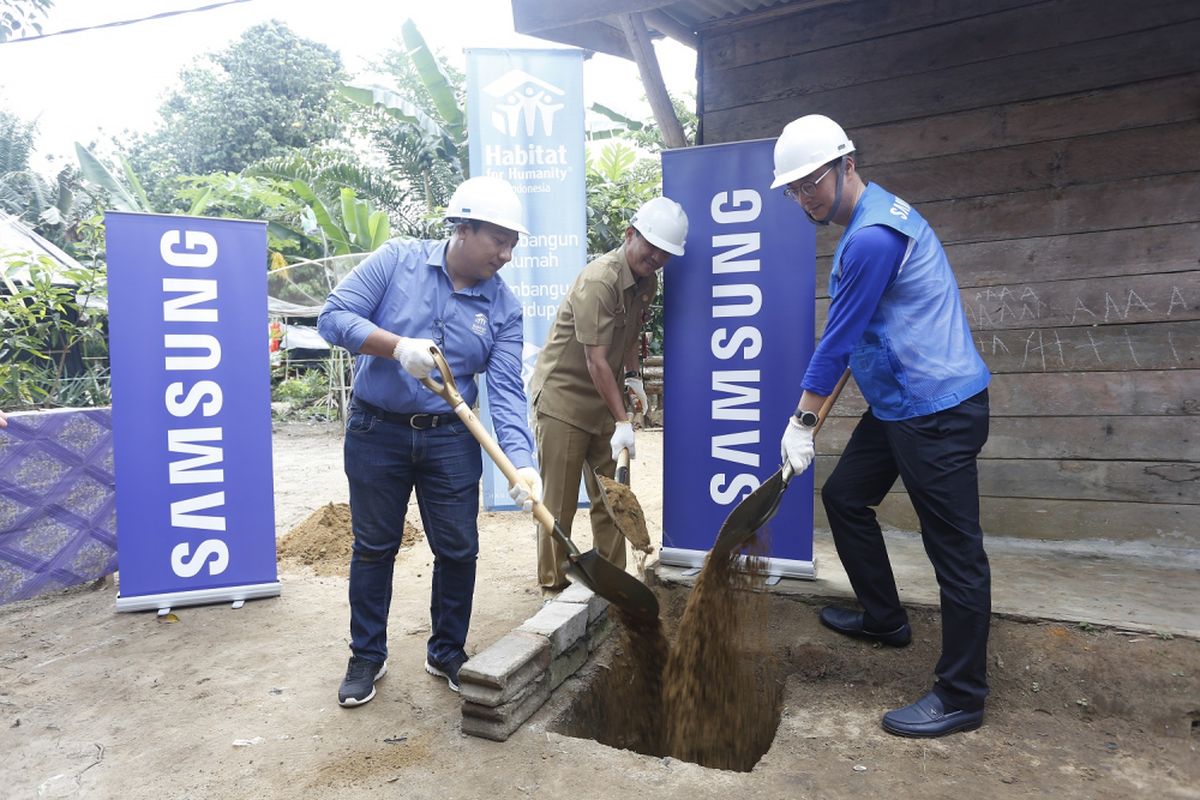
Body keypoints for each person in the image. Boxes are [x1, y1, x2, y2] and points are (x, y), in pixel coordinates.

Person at [771, 115, 992, 738]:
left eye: (811, 181)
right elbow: (856, 342)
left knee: (956, 554)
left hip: (937, 412)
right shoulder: (871, 223)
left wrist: (801, 421)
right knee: (845, 497)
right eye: (793, 189)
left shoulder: (870, 239)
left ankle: (961, 695)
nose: (804, 197)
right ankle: (884, 619)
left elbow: (836, 343)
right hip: (900, 403)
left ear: (846, 165)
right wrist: (811, 425)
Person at [317, 175, 543, 707]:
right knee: (374, 548)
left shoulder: (504, 308)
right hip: (378, 432)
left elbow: (507, 391)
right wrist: (395, 348)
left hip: (449, 441)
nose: (507, 254)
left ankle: (445, 650)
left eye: (514, 243)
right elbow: (333, 318)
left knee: (459, 549)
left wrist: (523, 464)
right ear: (463, 228)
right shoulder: (398, 261)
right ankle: (367, 656)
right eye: (499, 240)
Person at [529, 196, 688, 595]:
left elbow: (631, 336)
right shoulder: (600, 279)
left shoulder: (647, 282)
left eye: (664, 254)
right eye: (650, 247)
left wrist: (633, 377)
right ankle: (555, 584)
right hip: (564, 400)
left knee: (612, 496)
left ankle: (612, 580)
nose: (655, 258)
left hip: (606, 401)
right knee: (559, 503)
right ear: (630, 234)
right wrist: (623, 421)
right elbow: (596, 360)